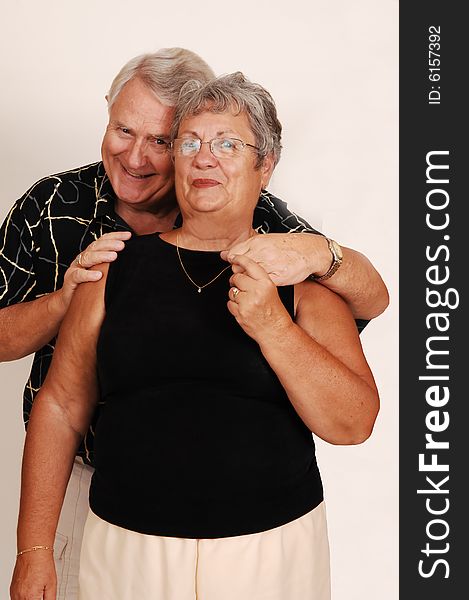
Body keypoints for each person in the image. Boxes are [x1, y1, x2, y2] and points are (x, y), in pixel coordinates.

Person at [2, 48, 388, 599]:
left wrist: (273, 323)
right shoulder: (109, 266)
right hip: (124, 543)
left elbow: (353, 422)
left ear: (266, 164)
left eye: (228, 144)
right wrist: (34, 551)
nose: (205, 159)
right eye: (189, 143)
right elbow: (61, 405)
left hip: (271, 550)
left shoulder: (295, 264)